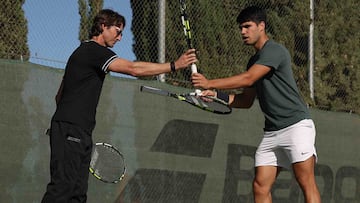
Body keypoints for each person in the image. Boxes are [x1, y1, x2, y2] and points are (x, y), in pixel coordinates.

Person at [41, 9, 197, 203]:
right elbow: (133, 69)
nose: (120, 37)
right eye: (118, 30)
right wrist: (175, 65)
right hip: (71, 129)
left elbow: (59, 96)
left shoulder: (82, 53)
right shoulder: (93, 51)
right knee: (62, 189)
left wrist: (64, 126)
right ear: (103, 26)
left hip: (77, 130)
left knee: (77, 194)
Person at [191, 6, 321, 203]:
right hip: (272, 132)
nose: (242, 32)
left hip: (296, 126)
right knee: (260, 186)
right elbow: (245, 101)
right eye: (241, 28)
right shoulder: (253, 61)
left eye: (247, 26)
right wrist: (216, 95)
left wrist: (209, 82)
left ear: (261, 26)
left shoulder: (275, 50)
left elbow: (248, 78)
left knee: (305, 180)